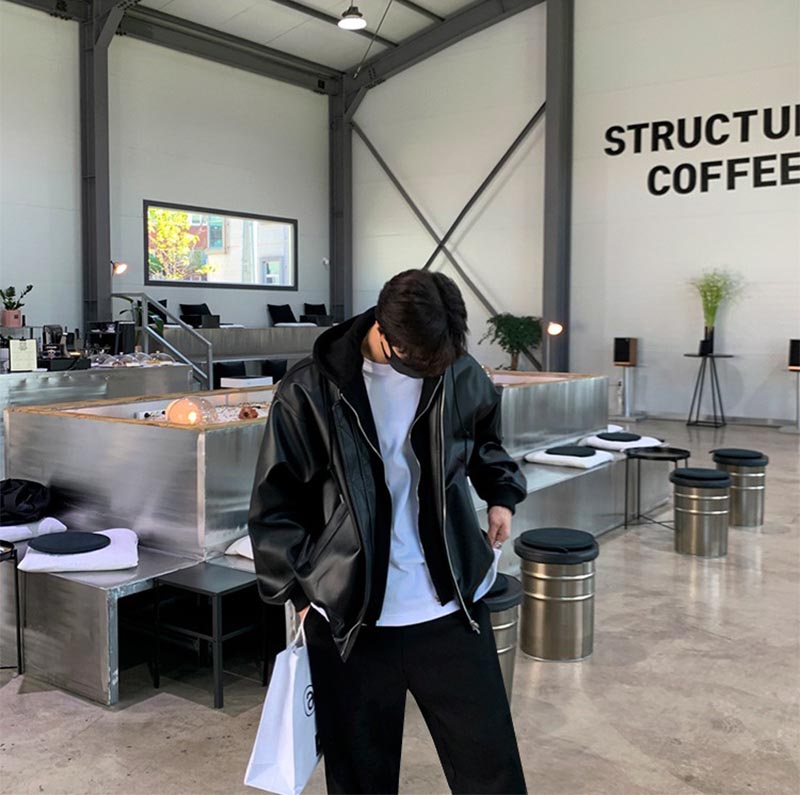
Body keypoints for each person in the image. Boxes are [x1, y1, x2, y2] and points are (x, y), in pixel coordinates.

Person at [249, 269, 527, 794]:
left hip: (451, 607)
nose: (434, 370)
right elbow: (275, 500)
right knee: (360, 781)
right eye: (422, 361)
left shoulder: (455, 368)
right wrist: (299, 593)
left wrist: (501, 495)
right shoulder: (311, 388)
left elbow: (485, 439)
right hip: (352, 618)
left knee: (492, 772)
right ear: (384, 331)